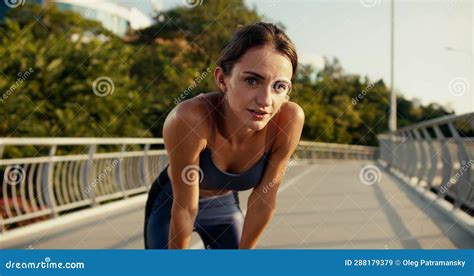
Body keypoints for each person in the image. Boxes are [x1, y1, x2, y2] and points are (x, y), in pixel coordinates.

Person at [144, 22, 304, 249]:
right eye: (252, 80)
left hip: (224, 206)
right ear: (222, 79)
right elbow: (185, 208)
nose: (266, 100)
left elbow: (263, 201)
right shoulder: (190, 118)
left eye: (279, 86)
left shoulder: (289, 120)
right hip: (172, 205)